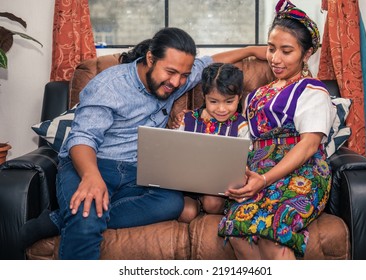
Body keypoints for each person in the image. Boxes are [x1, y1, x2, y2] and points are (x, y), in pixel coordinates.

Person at [20, 27, 268, 260]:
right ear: (150, 59)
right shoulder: (110, 85)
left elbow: (211, 61)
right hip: (93, 162)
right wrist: (91, 176)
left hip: (138, 172)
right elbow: (83, 137)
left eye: (183, 75)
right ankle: (78, 218)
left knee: (171, 203)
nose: (176, 82)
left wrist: (250, 50)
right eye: (170, 72)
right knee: (86, 216)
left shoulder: (176, 77)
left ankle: (60, 217)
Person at [216, 0, 336, 260]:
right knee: (237, 230)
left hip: (300, 171)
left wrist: (265, 179)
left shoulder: (313, 91)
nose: (275, 59)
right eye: (271, 49)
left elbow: (308, 146)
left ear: (306, 54)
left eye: (286, 51)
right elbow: (245, 140)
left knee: (272, 233)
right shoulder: (256, 95)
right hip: (256, 172)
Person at [176, 62, 251, 223]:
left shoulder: (241, 124)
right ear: (204, 97)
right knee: (186, 213)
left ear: (239, 97)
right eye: (214, 101)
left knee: (212, 204)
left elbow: (246, 156)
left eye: (229, 102)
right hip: (188, 186)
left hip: (219, 188)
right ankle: (197, 202)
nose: (222, 109)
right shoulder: (188, 119)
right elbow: (176, 149)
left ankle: (207, 203)